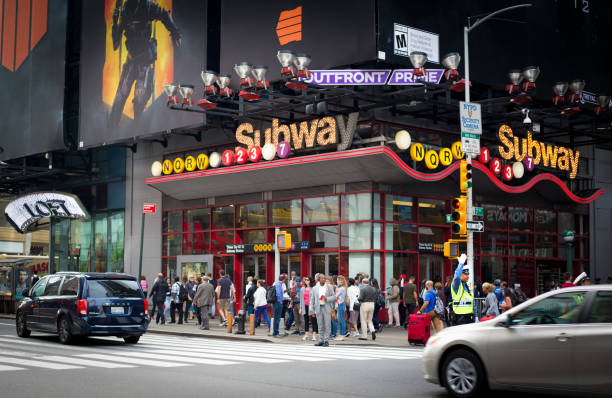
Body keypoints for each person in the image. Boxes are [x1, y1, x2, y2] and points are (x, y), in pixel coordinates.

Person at [108, 0, 181, 128]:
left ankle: (136, 132)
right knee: (120, 98)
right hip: (131, 61)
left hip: (144, 61)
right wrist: (116, 19)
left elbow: (163, 14)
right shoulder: (124, 10)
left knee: (140, 101)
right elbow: (115, 44)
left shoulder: (148, 6)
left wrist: (175, 32)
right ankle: (111, 132)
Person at [309, 274, 336, 346]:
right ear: (318, 279)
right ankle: (321, 340)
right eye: (322, 278)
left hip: (327, 307)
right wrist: (311, 309)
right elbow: (312, 299)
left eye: (324, 278)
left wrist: (327, 298)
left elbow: (334, 297)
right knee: (320, 324)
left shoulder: (329, 287)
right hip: (318, 308)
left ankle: (326, 340)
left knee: (327, 324)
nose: (324, 279)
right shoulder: (315, 288)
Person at [451, 254, 474, 325]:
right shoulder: (457, 285)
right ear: (461, 274)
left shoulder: (468, 285)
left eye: (468, 274)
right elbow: (457, 277)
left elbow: (472, 301)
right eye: (466, 274)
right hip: (460, 317)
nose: (468, 276)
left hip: (469, 316)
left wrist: (476, 316)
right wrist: (461, 263)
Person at [299, 276, 317, 341]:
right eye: (305, 280)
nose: (306, 281)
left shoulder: (314, 289)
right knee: (306, 320)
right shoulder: (302, 289)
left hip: (312, 307)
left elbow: (315, 299)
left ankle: (314, 335)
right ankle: (306, 335)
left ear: (310, 281)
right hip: (305, 306)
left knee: (313, 321)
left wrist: (314, 308)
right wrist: (300, 308)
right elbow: (301, 299)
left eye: (307, 280)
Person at [335, 275, 347, 341]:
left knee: (342, 320)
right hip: (340, 304)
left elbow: (336, 296)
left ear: (340, 281)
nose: (336, 281)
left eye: (337, 280)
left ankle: (342, 335)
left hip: (341, 304)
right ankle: (341, 335)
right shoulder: (341, 288)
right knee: (340, 320)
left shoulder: (341, 288)